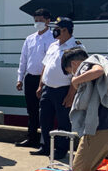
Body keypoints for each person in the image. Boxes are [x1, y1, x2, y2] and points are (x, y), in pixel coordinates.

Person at [31, 17, 84, 158]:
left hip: (64, 89)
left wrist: (71, 94)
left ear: (65, 30)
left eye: (57, 29)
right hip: (47, 89)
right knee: (44, 119)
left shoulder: (77, 47)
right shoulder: (53, 45)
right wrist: (40, 85)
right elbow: (45, 66)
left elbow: (77, 73)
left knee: (63, 122)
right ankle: (46, 147)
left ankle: (61, 150)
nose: (54, 31)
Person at [15, 8, 54, 148]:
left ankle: (45, 141)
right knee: (31, 110)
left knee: (44, 111)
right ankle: (31, 138)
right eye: (36, 21)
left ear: (48, 21)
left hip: (45, 79)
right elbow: (23, 59)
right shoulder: (30, 38)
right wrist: (20, 78)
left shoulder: (53, 39)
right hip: (30, 78)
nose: (38, 23)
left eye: (41, 20)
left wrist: (42, 83)